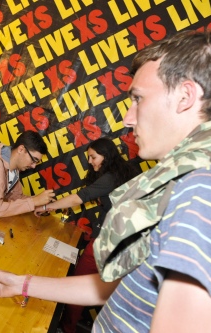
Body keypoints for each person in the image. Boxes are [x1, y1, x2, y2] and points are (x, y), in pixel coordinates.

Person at [0, 30, 211, 332]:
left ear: (185, 96)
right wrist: (22, 284)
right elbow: (114, 287)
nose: (128, 118)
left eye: (138, 99)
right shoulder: (194, 180)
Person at [34, 137, 138, 333]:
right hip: (119, 244)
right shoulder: (118, 174)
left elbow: (78, 198)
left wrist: (46, 206)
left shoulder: (110, 178)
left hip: (107, 244)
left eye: (93, 157)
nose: (90, 162)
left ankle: (67, 328)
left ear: (105, 156)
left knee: (77, 286)